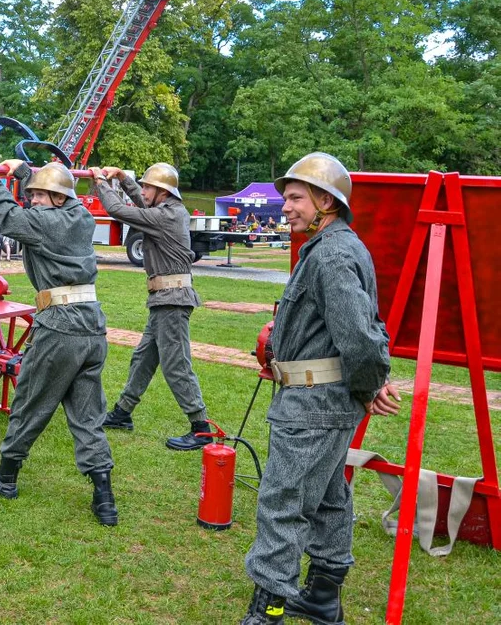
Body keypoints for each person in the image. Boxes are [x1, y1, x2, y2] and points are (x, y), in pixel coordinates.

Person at [239, 152, 401, 625]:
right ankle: (323, 597)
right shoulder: (335, 246)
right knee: (329, 497)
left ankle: (268, 607)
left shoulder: (331, 254)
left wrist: (370, 384)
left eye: (294, 198)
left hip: (313, 407)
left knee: (283, 502)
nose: (284, 207)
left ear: (325, 201)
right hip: (321, 401)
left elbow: (362, 338)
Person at [0, 156, 118, 527]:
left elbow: (2, 214)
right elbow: (49, 195)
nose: (31, 200)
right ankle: (105, 500)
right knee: (88, 416)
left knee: (30, 402)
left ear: (54, 198)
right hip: (92, 328)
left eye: (37, 195)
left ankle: (5, 478)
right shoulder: (81, 217)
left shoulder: (42, 223)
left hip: (60, 328)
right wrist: (24, 172)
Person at [87, 163, 213, 451]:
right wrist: (123, 178)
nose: (142, 191)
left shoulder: (167, 216)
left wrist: (101, 182)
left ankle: (201, 428)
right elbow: (142, 202)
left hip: (172, 300)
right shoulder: (167, 210)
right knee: (143, 358)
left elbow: (119, 211)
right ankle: (122, 413)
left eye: (147, 186)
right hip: (164, 300)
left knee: (176, 366)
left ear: (162, 191)